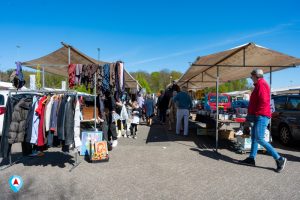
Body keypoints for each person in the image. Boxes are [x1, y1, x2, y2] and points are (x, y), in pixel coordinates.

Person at [240, 69, 287, 172]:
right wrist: (250, 116)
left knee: (259, 138)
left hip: (261, 116)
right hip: (257, 116)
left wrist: (256, 115)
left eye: (251, 76)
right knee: (254, 138)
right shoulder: (258, 85)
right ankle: (251, 158)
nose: (251, 78)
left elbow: (264, 101)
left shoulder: (262, 85)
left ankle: (280, 159)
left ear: (256, 76)